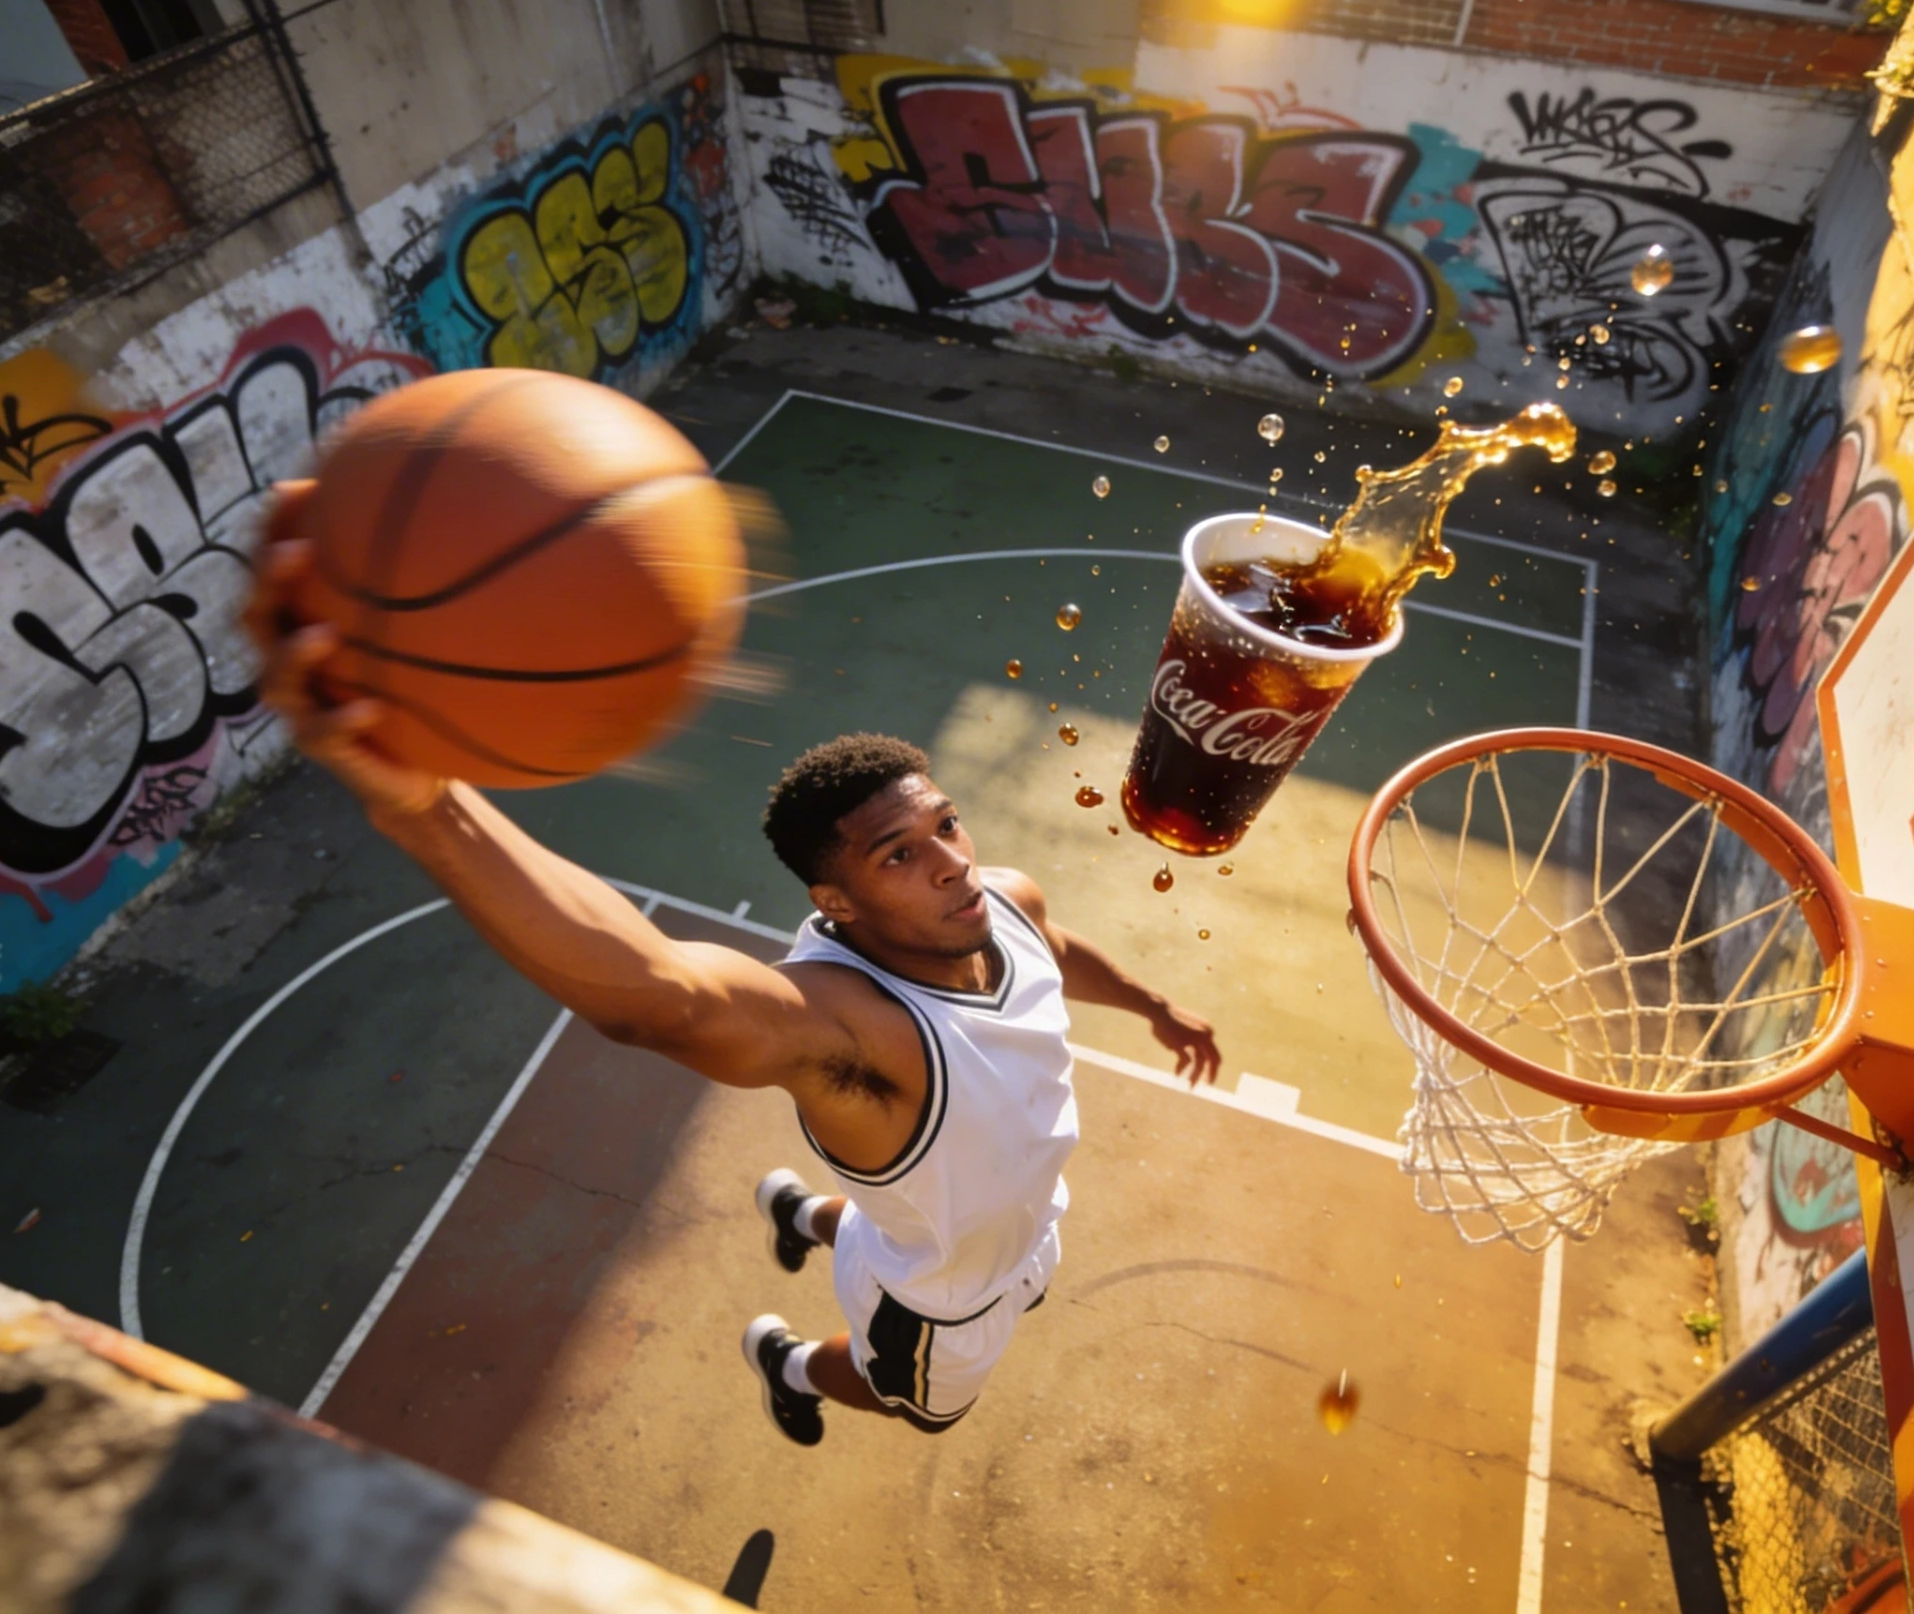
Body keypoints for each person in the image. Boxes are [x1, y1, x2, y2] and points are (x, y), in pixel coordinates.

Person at [249, 542, 1221, 1445]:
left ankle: (805, 1215)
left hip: (1026, 1214)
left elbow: (1053, 946)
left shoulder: (1000, 896)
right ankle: (790, 1363)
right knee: (916, 1404)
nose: (952, 867)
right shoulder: (850, 1030)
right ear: (833, 901)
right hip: (939, 1302)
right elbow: (659, 994)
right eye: (899, 855)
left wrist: (1151, 1006)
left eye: (947, 827)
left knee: (931, 1217)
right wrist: (428, 805)